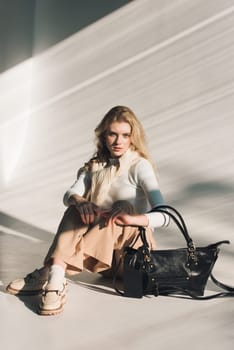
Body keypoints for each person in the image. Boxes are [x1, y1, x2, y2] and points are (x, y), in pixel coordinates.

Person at [6, 106, 169, 315]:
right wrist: (79, 201)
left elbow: (165, 216)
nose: (118, 141)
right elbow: (69, 194)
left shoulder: (139, 165)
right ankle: (56, 278)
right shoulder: (96, 166)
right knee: (78, 207)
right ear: (104, 135)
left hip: (130, 260)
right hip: (103, 261)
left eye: (125, 135)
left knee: (122, 207)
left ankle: (51, 271)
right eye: (113, 134)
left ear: (133, 137)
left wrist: (132, 219)